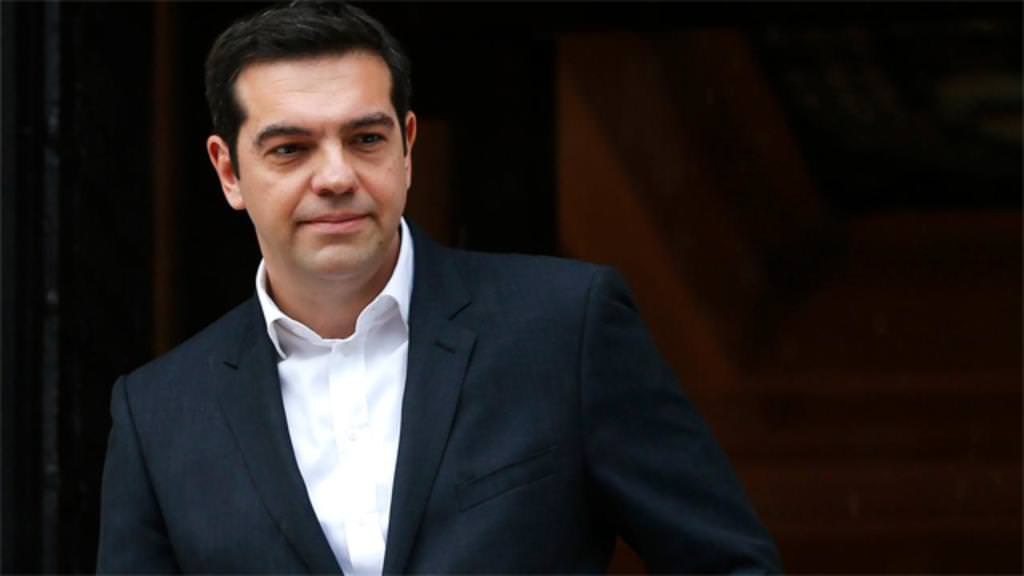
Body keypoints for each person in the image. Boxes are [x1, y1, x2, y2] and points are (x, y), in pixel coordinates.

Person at [96, 1, 781, 573]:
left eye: (365, 139)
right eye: (290, 149)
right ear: (229, 172)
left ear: (408, 146)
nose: (335, 176)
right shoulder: (159, 415)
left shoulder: (563, 328)